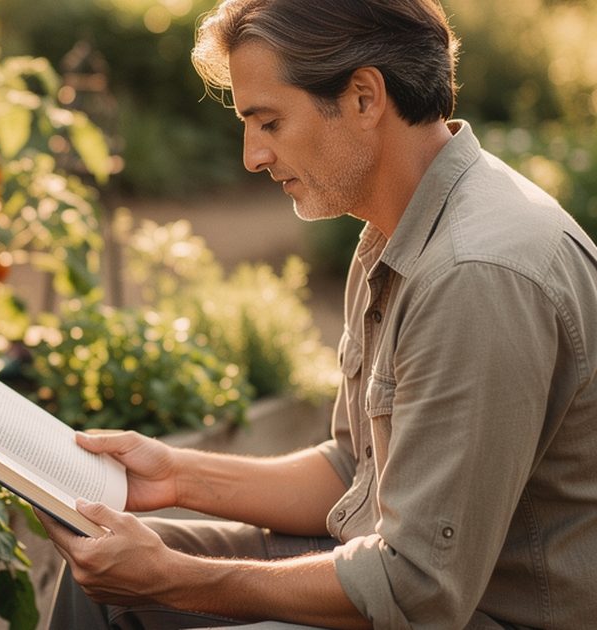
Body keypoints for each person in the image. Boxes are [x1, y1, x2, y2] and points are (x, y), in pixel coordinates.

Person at [40, 0, 597, 628]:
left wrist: (174, 577)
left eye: (269, 121)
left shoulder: (476, 275)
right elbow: (353, 473)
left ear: (363, 97)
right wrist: (175, 475)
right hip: (399, 578)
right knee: (104, 582)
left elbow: (417, 588)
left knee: (149, 583)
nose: (252, 156)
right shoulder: (398, 231)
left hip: (470, 613)